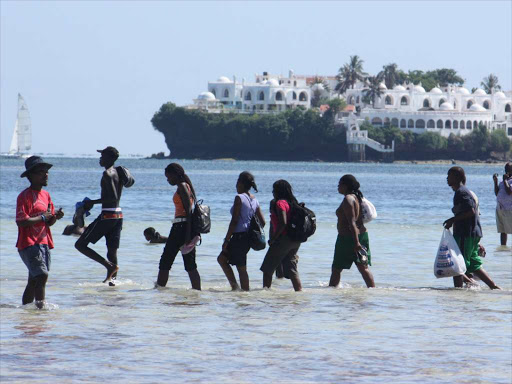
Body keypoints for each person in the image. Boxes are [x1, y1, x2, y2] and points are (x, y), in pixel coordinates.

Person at [16, 156, 64, 308]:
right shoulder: (24, 196)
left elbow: (48, 222)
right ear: (30, 176)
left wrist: (55, 217)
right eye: (41, 172)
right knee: (42, 275)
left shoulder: (46, 195)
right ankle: (41, 310)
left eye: (47, 172)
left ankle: (27, 312)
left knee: (34, 280)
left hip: (44, 242)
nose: (46, 175)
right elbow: (21, 221)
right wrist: (43, 217)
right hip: (29, 243)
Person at [444, 167, 500, 289]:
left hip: (465, 234)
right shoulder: (462, 192)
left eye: (450, 175)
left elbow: (470, 211)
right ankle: (494, 287)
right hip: (472, 234)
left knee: (458, 265)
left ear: (457, 177)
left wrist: (451, 220)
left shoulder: (461, 192)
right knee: (474, 265)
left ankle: (458, 292)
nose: (447, 178)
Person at [75, 146, 123, 285]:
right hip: (118, 215)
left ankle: (109, 266)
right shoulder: (117, 172)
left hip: (108, 215)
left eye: (103, 156)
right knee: (112, 251)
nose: (100, 158)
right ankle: (112, 281)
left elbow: (113, 197)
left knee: (80, 245)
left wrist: (91, 203)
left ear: (110, 158)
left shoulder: (107, 174)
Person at [156, 163, 201, 290]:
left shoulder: (182, 186)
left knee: (165, 261)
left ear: (176, 174)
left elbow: (188, 210)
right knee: (190, 265)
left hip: (181, 227)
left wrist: (187, 235)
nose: (168, 180)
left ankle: (159, 290)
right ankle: (197, 293)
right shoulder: (186, 186)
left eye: (169, 177)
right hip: (184, 227)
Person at [218, 171, 265, 291]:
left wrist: (226, 239)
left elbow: (234, 221)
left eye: (237, 182)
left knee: (239, 267)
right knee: (227, 261)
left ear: (241, 183)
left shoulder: (239, 198)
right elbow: (263, 222)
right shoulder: (255, 200)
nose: (236, 185)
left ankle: (240, 290)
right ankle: (238, 289)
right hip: (247, 238)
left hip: (238, 237)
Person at [329, 175, 375, 288]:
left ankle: (331, 294)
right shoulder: (357, 197)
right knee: (363, 268)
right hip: (362, 235)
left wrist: (356, 243)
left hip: (348, 239)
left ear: (345, 186)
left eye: (339, 184)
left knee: (336, 269)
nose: (338, 187)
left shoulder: (348, 199)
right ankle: (373, 291)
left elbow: (352, 222)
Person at [260, 180, 302, 291]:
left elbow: (283, 222)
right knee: (291, 268)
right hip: (295, 240)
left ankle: (266, 294)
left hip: (284, 239)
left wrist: (273, 238)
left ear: (278, 191)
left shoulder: (280, 203)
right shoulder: (293, 203)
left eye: (274, 190)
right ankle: (299, 292)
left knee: (267, 269)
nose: (273, 192)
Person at [493, 162, 512, 251]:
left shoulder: (509, 181)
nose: (506, 171)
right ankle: (503, 248)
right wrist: (495, 182)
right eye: (506, 169)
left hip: (509, 209)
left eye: (508, 169)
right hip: (500, 209)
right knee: (502, 230)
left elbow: (509, 191)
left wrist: (505, 180)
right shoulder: (503, 182)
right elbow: (497, 193)